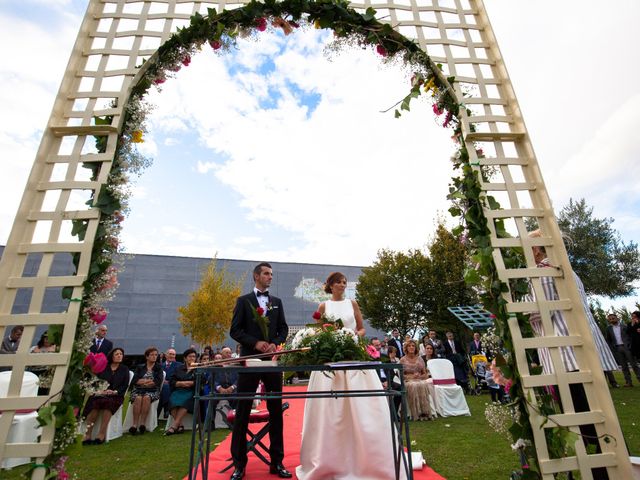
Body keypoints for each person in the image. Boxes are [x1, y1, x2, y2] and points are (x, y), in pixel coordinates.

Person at [296, 272, 406, 480]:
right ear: (330, 285)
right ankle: (332, 458)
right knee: (331, 410)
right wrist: (332, 338)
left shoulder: (352, 303)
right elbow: (321, 334)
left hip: (353, 357)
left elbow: (362, 328)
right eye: (339, 282)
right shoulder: (323, 307)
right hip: (332, 361)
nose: (343, 285)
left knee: (362, 406)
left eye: (345, 282)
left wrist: (353, 335)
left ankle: (369, 456)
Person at [229, 262, 291, 480]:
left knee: (276, 411)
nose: (270, 277)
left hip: (272, 362)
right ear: (256, 276)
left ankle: (277, 462)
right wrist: (255, 343)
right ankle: (239, 464)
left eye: (271, 274)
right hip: (250, 360)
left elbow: (283, 328)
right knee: (243, 410)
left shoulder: (277, 302)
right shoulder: (243, 301)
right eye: (266, 273)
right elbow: (235, 330)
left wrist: (275, 343)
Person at [82, 347, 129, 445]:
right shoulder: (104, 367)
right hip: (101, 393)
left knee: (108, 404)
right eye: (117, 354)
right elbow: (96, 381)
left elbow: (125, 385)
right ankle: (88, 434)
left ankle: (101, 434)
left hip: (115, 395)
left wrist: (114, 392)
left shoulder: (125, 369)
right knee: (94, 404)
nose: (119, 356)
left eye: (121, 354)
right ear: (112, 356)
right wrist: (101, 390)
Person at [128, 346, 163, 434]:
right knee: (138, 398)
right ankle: (134, 424)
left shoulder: (158, 368)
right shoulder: (140, 367)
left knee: (147, 397)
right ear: (147, 356)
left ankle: (142, 424)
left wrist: (145, 382)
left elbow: (158, 381)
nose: (154, 356)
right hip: (138, 390)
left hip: (153, 390)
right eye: (152, 355)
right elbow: (135, 380)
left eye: (156, 355)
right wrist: (148, 381)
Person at [165, 348, 198, 435]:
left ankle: (174, 426)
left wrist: (191, 383)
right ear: (185, 358)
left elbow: (201, 381)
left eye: (194, 356)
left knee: (185, 401)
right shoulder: (178, 368)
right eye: (190, 356)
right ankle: (180, 425)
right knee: (172, 400)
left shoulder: (198, 368)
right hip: (178, 390)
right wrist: (180, 383)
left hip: (191, 391)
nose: (192, 358)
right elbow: (172, 380)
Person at [400, 339, 434, 421]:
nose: (411, 347)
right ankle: (416, 413)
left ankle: (425, 412)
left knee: (422, 384)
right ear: (406, 348)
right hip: (408, 381)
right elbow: (401, 375)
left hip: (419, 379)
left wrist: (419, 376)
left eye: (413, 346)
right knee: (413, 385)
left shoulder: (420, 359)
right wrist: (411, 377)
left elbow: (425, 374)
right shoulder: (402, 360)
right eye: (409, 346)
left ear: (416, 348)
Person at [605, 313, 640, 387]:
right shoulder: (609, 329)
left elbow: (630, 335)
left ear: (617, 318)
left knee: (634, 364)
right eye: (610, 319)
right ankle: (628, 382)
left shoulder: (624, 326)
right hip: (618, 349)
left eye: (613, 318)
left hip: (627, 347)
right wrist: (612, 348)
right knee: (624, 367)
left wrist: (630, 345)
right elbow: (608, 340)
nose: (612, 320)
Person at [158, 348, 182, 419]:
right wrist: (162, 380)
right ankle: (166, 409)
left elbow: (180, 376)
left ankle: (163, 410)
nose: (172, 356)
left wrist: (169, 381)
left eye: (173, 354)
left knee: (166, 387)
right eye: (170, 354)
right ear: (166, 355)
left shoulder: (179, 365)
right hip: (160, 386)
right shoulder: (160, 366)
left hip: (173, 386)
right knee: (164, 387)